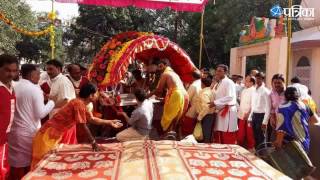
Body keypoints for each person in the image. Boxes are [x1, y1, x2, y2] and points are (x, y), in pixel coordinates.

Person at [31, 83, 123, 169]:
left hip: (52, 135)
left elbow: (92, 119)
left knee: (47, 164)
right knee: (41, 165)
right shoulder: (78, 104)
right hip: (47, 136)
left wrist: (110, 122)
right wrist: (93, 142)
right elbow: (83, 125)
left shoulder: (81, 104)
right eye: (96, 94)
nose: (98, 96)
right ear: (91, 95)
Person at [8, 64, 55, 179]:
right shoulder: (34, 89)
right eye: (38, 73)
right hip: (28, 132)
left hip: (14, 131)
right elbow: (40, 113)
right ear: (31, 74)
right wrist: (51, 102)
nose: (40, 76)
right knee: (27, 165)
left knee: (15, 164)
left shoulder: (15, 86)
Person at [149, 58, 188, 138]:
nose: (159, 68)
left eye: (160, 66)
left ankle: (168, 137)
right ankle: (174, 136)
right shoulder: (174, 73)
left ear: (165, 66)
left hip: (177, 94)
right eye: (158, 67)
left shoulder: (165, 74)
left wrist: (146, 96)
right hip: (184, 95)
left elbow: (159, 90)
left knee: (170, 118)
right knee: (175, 119)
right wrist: (164, 99)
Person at [273, 87, 320, 152]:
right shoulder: (305, 105)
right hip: (304, 143)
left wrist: (278, 143)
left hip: (290, 145)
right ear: (298, 96)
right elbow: (315, 120)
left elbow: (281, 128)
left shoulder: (282, 108)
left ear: (285, 96)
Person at [46, 59, 77, 144]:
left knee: (63, 147)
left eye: (51, 69)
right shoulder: (56, 81)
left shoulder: (63, 81)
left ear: (59, 69)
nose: (48, 72)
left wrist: (48, 108)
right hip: (58, 120)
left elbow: (65, 101)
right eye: (47, 69)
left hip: (63, 121)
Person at [0, 54, 19, 179]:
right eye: (7, 70)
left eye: (14, 71)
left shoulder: (11, 88)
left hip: (4, 139)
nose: (11, 74)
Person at [209, 64, 238, 144]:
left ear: (225, 72)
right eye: (217, 70)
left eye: (220, 71)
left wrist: (215, 103)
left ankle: (230, 153)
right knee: (220, 132)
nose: (217, 73)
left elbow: (230, 97)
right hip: (220, 110)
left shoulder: (229, 82)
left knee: (227, 133)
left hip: (228, 111)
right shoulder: (219, 82)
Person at [248, 72, 271, 148]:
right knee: (255, 136)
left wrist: (265, 122)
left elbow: (268, 107)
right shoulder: (254, 90)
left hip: (262, 116)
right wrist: (250, 117)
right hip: (254, 115)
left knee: (261, 137)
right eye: (256, 78)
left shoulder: (266, 91)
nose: (257, 80)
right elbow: (253, 105)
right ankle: (257, 153)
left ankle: (262, 155)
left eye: (259, 78)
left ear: (263, 79)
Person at [237, 75, 256, 150]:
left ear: (251, 82)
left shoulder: (254, 91)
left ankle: (251, 148)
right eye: (245, 80)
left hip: (249, 116)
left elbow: (253, 104)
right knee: (240, 133)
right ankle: (240, 148)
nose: (245, 82)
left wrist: (248, 114)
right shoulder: (244, 90)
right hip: (241, 115)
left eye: (247, 81)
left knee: (249, 133)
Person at [181, 70, 202, 136]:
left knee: (187, 130)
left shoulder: (194, 85)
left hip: (191, 111)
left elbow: (187, 99)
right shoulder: (201, 84)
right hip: (199, 110)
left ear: (192, 77)